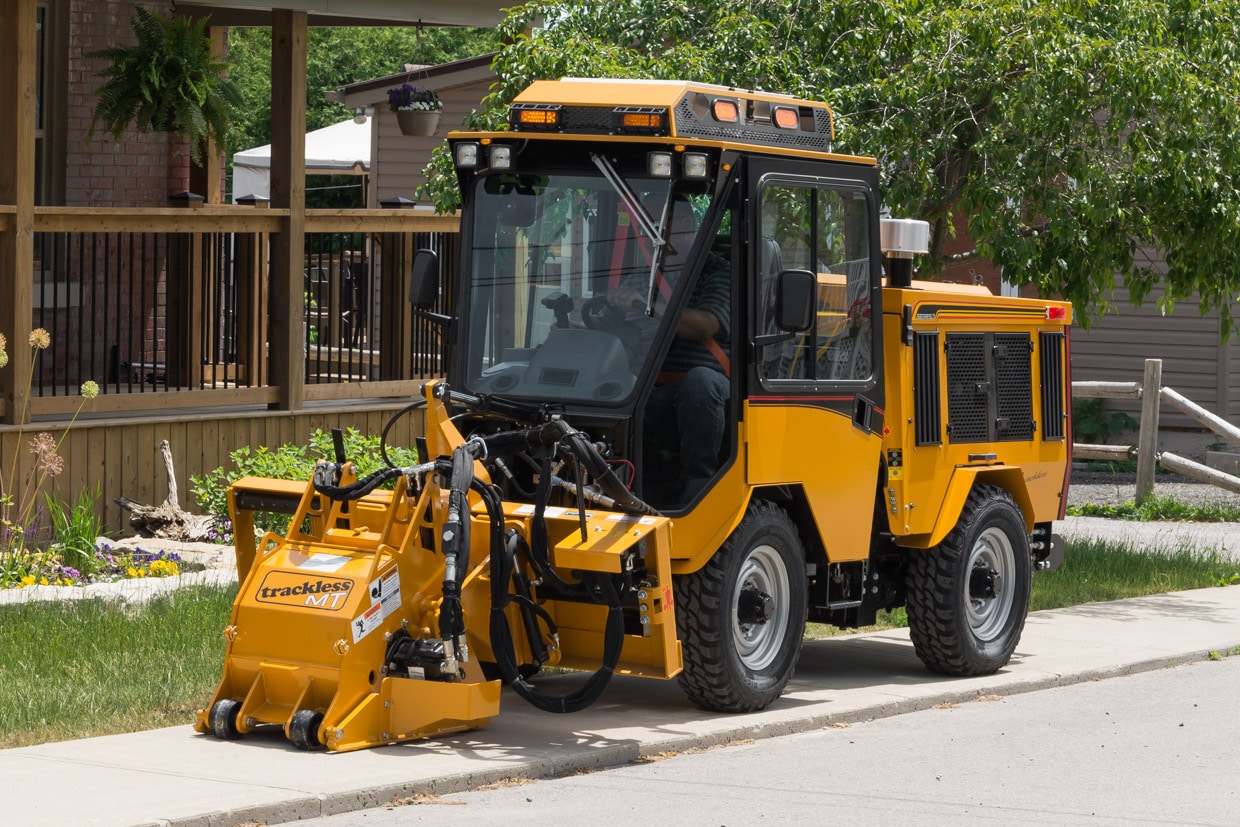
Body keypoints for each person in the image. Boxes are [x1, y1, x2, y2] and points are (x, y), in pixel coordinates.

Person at [609, 196, 731, 502]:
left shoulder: (717, 272)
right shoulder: (639, 277)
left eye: (658, 226)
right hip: (644, 388)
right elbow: (621, 336)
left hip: (704, 391)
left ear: (687, 226)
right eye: (646, 226)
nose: (651, 234)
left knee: (701, 381)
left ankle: (699, 487)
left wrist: (647, 304)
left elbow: (705, 326)